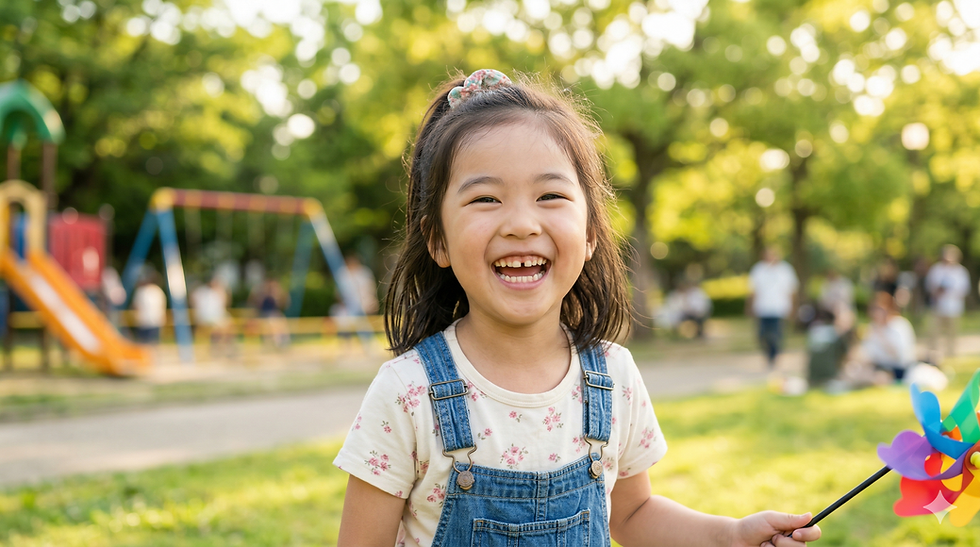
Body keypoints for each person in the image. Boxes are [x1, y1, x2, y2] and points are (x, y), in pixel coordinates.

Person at [334, 70, 820, 547]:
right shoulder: (407, 393)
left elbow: (632, 513)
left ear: (589, 233)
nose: (521, 224)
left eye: (550, 195)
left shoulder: (614, 375)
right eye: (485, 198)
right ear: (437, 239)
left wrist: (730, 535)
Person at [747, 247, 799, 368]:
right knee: (762, 335)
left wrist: (793, 308)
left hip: (779, 309)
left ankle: (774, 355)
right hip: (762, 308)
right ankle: (768, 353)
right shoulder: (758, 269)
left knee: (776, 335)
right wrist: (750, 306)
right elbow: (753, 290)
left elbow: (792, 291)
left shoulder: (785, 270)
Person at [925, 244, 970, 361]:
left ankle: (951, 355)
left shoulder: (961, 271)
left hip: (954, 307)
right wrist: (938, 291)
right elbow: (930, 287)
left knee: (952, 334)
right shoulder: (936, 269)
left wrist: (949, 291)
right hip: (937, 307)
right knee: (934, 333)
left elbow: (964, 290)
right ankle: (933, 356)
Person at [861, 292, 917, 383]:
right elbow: (867, 353)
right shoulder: (872, 328)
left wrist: (882, 336)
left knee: (879, 378)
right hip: (877, 367)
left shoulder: (899, 325)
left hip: (898, 369)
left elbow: (900, 356)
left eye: (880, 310)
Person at [190, 276, 234, 356]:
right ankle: (222, 347)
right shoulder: (212, 293)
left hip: (208, 318)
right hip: (210, 319)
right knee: (223, 328)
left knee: (224, 328)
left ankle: (221, 346)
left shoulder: (203, 292)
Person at [248, 274, 290, 348]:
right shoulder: (261, 293)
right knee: (271, 324)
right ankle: (276, 342)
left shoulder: (275, 295)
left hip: (274, 314)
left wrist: (278, 296)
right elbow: (255, 305)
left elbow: (284, 303)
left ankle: (284, 342)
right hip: (264, 315)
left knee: (281, 322)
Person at [131, 274, 166, 344]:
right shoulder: (158, 291)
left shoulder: (141, 291)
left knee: (142, 344)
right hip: (156, 320)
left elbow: (135, 306)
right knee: (153, 343)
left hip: (143, 321)